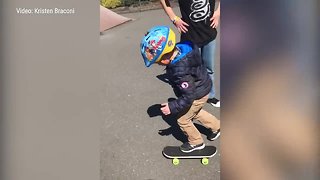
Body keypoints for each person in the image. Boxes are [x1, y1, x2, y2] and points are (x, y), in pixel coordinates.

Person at [140, 26, 220, 153]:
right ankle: (217, 127)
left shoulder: (180, 71)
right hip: (202, 87)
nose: (159, 64)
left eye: (159, 62)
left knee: (182, 119)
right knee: (196, 112)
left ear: (166, 57)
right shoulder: (183, 48)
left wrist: (171, 107)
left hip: (197, 94)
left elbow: (189, 96)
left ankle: (196, 142)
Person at [160, 0, 220, 107]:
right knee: (188, 71)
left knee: (209, 69)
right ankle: (190, 98)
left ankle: (210, 96)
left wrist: (218, 12)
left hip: (209, 34)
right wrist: (174, 18)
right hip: (190, 37)